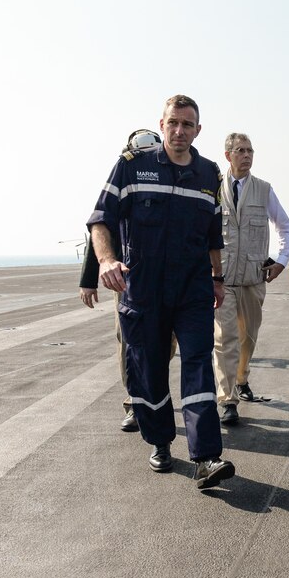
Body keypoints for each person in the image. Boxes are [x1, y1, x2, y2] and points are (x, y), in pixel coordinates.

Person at [88, 94, 235, 490]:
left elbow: (212, 234)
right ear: (163, 123)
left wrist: (218, 278)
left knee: (198, 365)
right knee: (149, 371)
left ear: (198, 130)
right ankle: (160, 440)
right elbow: (101, 220)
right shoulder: (131, 167)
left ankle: (206, 456)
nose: (179, 131)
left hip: (193, 291)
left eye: (188, 125)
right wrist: (105, 262)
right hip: (143, 292)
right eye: (173, 123)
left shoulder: (209, 174)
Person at [79, 129, 161, 432]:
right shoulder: (121, 181)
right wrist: (89, 278)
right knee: (128, 342)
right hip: (127, 280)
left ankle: (152, 395)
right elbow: (100, 228)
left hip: (166, 280)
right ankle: (134, 402)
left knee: (163, 346)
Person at [213, 133, 289, 426]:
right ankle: (227, 399)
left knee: (247, 338)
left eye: (250, 151)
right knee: (225, 339)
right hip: (221, 280)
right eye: (240, 151)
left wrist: (282, 261)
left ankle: (242, 378)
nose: (246, 156)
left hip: (253, 278)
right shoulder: (212, 188)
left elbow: (286, 227)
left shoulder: (264, 190)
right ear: (228, 156)